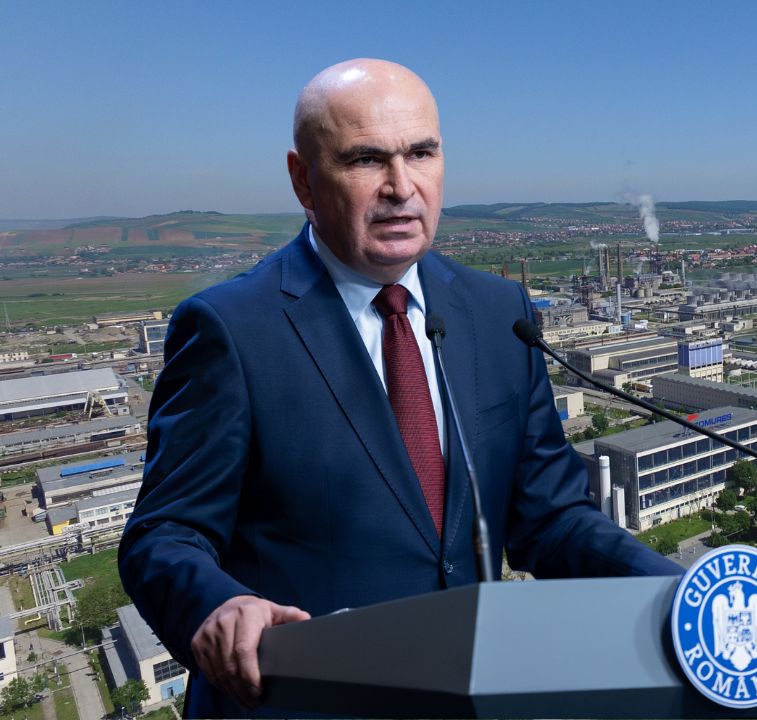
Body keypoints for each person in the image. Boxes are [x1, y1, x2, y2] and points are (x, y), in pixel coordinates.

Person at [118, 58, 680, 718]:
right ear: (303, 179)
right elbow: (163, 535)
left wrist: (678, 594)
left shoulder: (498, 312)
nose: (401, 186)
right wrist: (218, 606)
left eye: (421, 153)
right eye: (365, 159)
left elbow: (552, 518)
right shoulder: (231, 330)